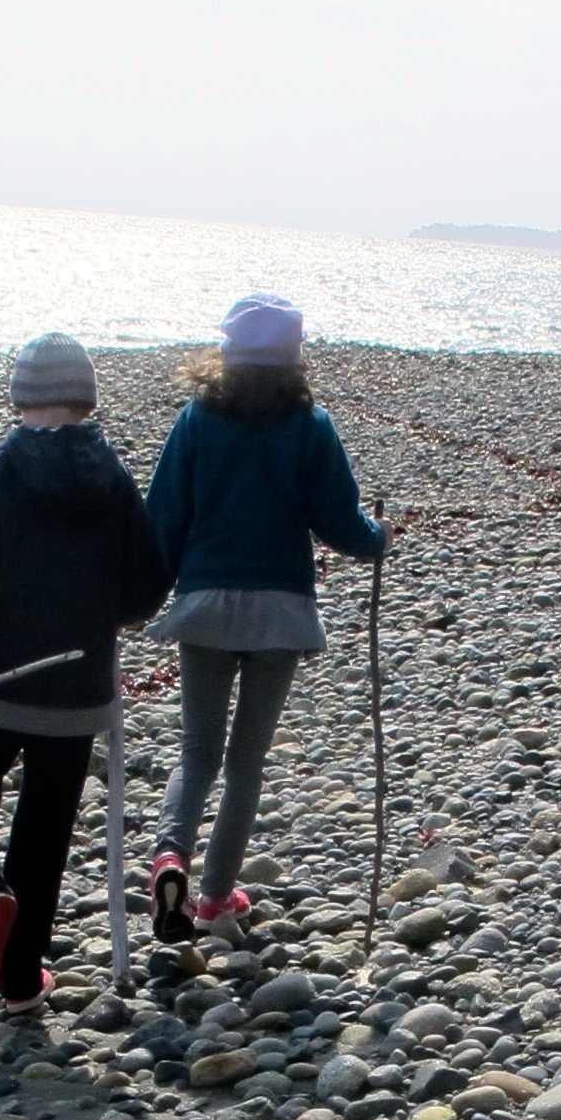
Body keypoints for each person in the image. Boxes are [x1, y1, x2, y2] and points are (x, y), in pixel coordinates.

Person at [0, 331, 170, 1010]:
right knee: (45, 827)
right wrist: (121, 611)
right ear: (86, 400)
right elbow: (146, 578)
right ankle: (21, 979)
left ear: (20, 398)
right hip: (78, 689)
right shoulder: (112, 476)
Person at [144, 293, 385, 942]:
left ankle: (170, 858)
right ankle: (215, 898)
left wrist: (140, 599)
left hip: (206, 605)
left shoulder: (198, 419)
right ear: (294, 359)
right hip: (280, 612)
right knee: (246, 760)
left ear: (227, 353)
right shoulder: (310, 426)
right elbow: (337, 519)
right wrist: (376, 540)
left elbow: (164, 516)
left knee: (197, 751)